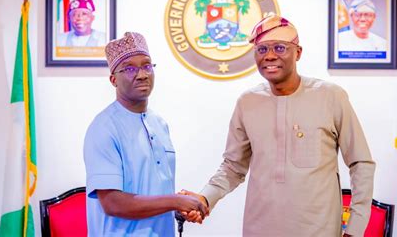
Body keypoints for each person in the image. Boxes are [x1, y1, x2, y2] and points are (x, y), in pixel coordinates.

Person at [183, 15, 376, 236]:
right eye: (262, 49)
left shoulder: (331, 97)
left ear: (298, 53)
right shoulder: (248, 102)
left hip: (318, 231)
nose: (270, 56)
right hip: (259, 229)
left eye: (280, 47)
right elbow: (233, 167)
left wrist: (356, 226)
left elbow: (361, 162)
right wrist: (205, 197)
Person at [83, 32, 207, 236]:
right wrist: (174, 201)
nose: (141, 74)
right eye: (130, 68)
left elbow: (155, 193)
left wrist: (179, 208)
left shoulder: (159, 124)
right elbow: (112, 203)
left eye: (146, 65)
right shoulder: (104, 128)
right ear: (113, 79)